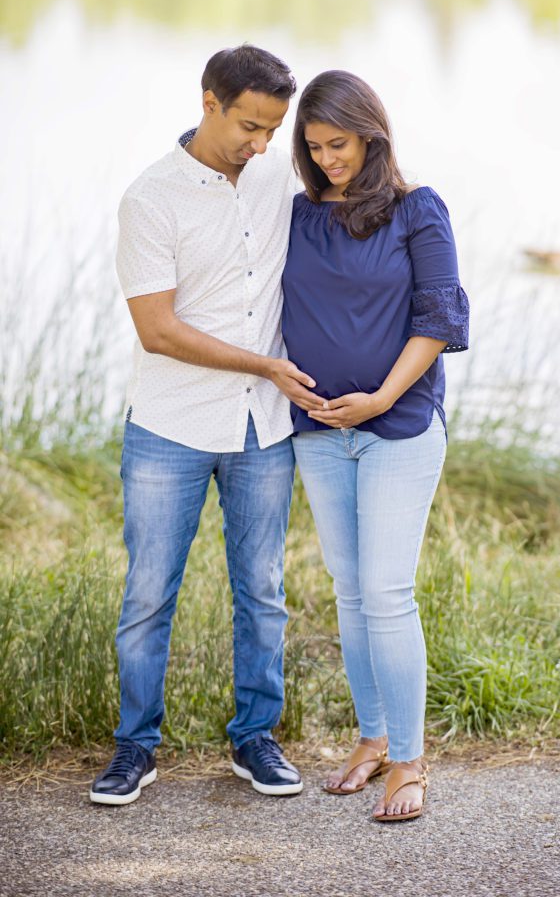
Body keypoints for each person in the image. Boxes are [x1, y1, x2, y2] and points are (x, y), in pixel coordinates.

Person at [91, 45, 326, 806]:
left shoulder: (276, 171)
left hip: (266, 431)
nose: (262, 145)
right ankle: (135, 748)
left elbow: (355, 180)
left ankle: (255, 737)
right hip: (171, 426)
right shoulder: (150, 199)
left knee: (262, 589)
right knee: (150, 594)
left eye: (272, 129)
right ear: (209, 102)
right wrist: (263, 366)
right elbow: (156, 330)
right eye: (250, 126)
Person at [281, 70, 469, 822]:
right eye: (315, 145)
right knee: (352, 593)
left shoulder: (417, 210)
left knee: (388, 593)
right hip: (319, 434)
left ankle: (411, 762)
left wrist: (383, 396)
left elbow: (439, 318)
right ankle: (373, 739)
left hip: (398, 428)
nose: (328, 158)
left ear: (372, 135)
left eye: (341, 143)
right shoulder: (297, 214)